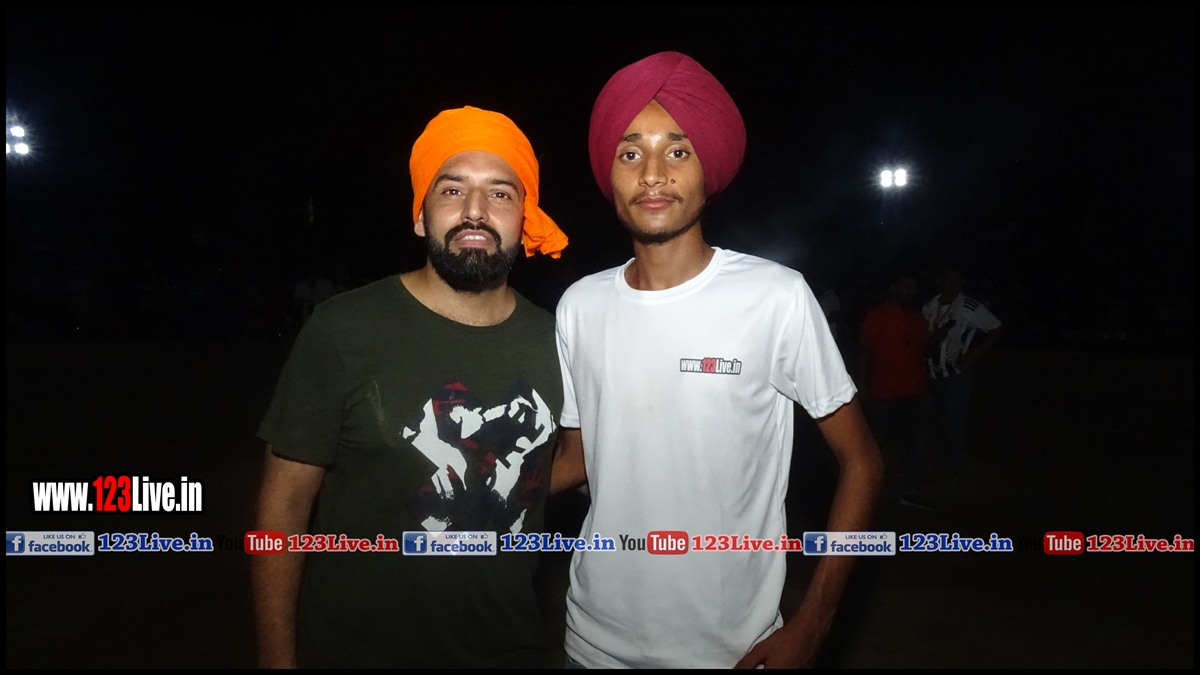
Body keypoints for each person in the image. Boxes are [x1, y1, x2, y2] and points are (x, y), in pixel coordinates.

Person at [550, 51, 883, 669]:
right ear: (609, 173)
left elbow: (861, 460)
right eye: (630, 152)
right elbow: (577, 462)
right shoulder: (579, 306)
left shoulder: (775, 297)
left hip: (730, 650)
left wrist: (814, 623)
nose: (653, 174)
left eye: (677, 150)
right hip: (590, 643)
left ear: (708, 169)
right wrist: (457, 483)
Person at [252, 106, 569, 668]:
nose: (475, 211)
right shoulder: (343, 329)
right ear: (421, 215)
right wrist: (277, 660)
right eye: (452, 190)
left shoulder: (561, 340)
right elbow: (284, 503)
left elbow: (574, 459)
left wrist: (496, 483)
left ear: (525, 217)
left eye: (499, 193)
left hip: (509, 650)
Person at [921, 266, 1005, 479]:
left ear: (962, 282)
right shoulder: (929, 306)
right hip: (930, 373)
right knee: (926, 419)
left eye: (956, 279)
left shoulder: (970, 307)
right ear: (940, 281)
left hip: (957, 373)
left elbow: (997, 328)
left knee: (953, 420)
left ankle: (954, 465)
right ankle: (924, 461)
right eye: (948, 278)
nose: (952, 283)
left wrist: (975, 353)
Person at [859, 271, 932, 509]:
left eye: (913, 287)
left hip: (915, 390)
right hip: (884, 392)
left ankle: (911, 492)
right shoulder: (877, 316)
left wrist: (937, 337)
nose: (910, 291)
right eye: (905, 286)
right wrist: (862, 386)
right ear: (893, 288)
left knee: (917, 446)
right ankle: (860, 488)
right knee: (875, 443)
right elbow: (865, 353)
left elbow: (924, 349)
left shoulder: (916, 317)